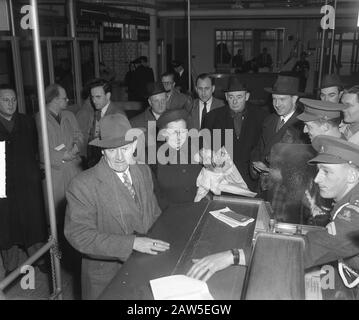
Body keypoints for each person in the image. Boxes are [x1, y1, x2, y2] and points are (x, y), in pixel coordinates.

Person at [187, 136, 359, 284]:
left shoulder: (354, 216)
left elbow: (310, 249)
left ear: (352, 176)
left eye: (327, 172)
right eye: (319, 170)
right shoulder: (348, 200)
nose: (317, 179)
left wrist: (233, 256)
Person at [64, 113, 169, 299]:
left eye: (126, 148)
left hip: (144, 270)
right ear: (103, 151)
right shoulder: (82, 185)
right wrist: (133, 243)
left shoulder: (143, 171)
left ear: (135, 145)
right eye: (112, 150)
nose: (120, 157)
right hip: (106, 279)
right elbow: (80, 235)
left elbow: (154, 214)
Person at [0, 85, 47, 276]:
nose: (11, 104)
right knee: (5, 225)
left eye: (13, 100)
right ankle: (10, 266)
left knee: (33, 221)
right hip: (2, 184)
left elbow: (36, 149)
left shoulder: (28, 122)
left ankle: (39, 259)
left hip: (27, 181)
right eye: (5, 100)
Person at [203, 77, 269, 191]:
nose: (234, 101)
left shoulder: (262, 117)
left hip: (252, 182)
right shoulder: (212, 118)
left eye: (239, 97)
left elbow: (265, 147)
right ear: (226, 97)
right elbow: (204, 149)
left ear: (247, 96)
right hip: (223, 181)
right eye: (231, 97)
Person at [251, 75, 309, 193]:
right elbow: (259, 148)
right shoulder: (269, 120)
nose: (277, 104)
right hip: (263, 187)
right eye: (274, 99)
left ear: (294, 99)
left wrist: (269, 170)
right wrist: (255, 167)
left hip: (284, 192)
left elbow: (302, 168)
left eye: (282, 99)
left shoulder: (304, 125)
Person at [35, 83, 83, 226]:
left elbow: (79, 135)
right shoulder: (39, 119)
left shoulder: (69, 115)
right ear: (54, 100)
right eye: (64, 98)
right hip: (55, 175)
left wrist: (76, 146)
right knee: (56, 216)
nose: (68, 100)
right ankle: (56, 246)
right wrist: (62, 156)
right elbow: (40, 150)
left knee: (77, 211)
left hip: (74, 169)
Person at [152, 108, 202, 209]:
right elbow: (154, 194)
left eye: (183, 132)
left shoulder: (198, 150)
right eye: (174, 132)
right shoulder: (153, 157)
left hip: (199, 210)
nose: (179, 137)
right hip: (168, 215)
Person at [80, 78, 126, 168]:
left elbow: (121, 147)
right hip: (97, 161)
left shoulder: (117, 115)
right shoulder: (98, 112)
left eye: (98, 97)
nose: (94, 101)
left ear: (108, 96)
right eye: (92, 97)